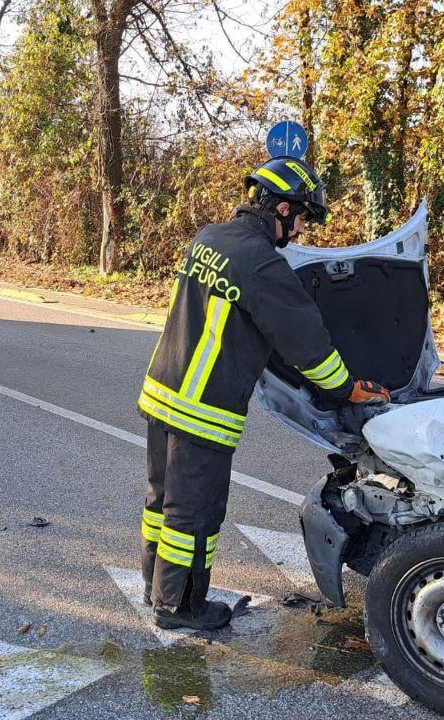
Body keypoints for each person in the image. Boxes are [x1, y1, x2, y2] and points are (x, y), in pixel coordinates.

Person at [136, 156, 392, 631]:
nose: (302, 230)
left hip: (161, 392)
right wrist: (346, 389)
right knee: (194, 515)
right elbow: (307, 345)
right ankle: (180, 607)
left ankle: (155, 584)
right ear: (281, 208)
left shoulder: (209, 238)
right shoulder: (262, 265)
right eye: (302, 217)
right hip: (201, 410)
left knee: (162, 500)